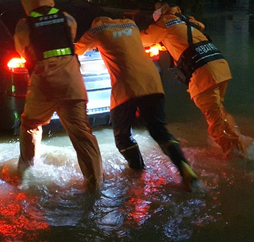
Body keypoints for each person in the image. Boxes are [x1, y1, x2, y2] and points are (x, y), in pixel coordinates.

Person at [74, 16, 198, 190]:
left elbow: (75, 51)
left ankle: (138, 171)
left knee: (122, 136)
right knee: (159, 131)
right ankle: (183, 167)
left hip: (126, 88)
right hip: (152, 83)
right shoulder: (131, 25)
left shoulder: (96, 30)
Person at [14, 0, 103, 190]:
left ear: (27, 3)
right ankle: (95, 184)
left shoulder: (24, 25)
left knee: (30, 125)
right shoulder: (68, 18)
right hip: (72, 82)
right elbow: (69, 40)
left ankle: (26, 174)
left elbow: (22, 49)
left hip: (44, 83)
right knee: (82, 134)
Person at [140, 0, 247, 159]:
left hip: (204, 74)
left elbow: (141, 40)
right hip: (220, 67)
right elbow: (190, 34)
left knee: (215, 122)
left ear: (160, 12)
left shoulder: (164, 23)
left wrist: (126, 35)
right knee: (219, 113)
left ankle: (237, 158)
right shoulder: (184, 20)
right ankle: (240, 144)